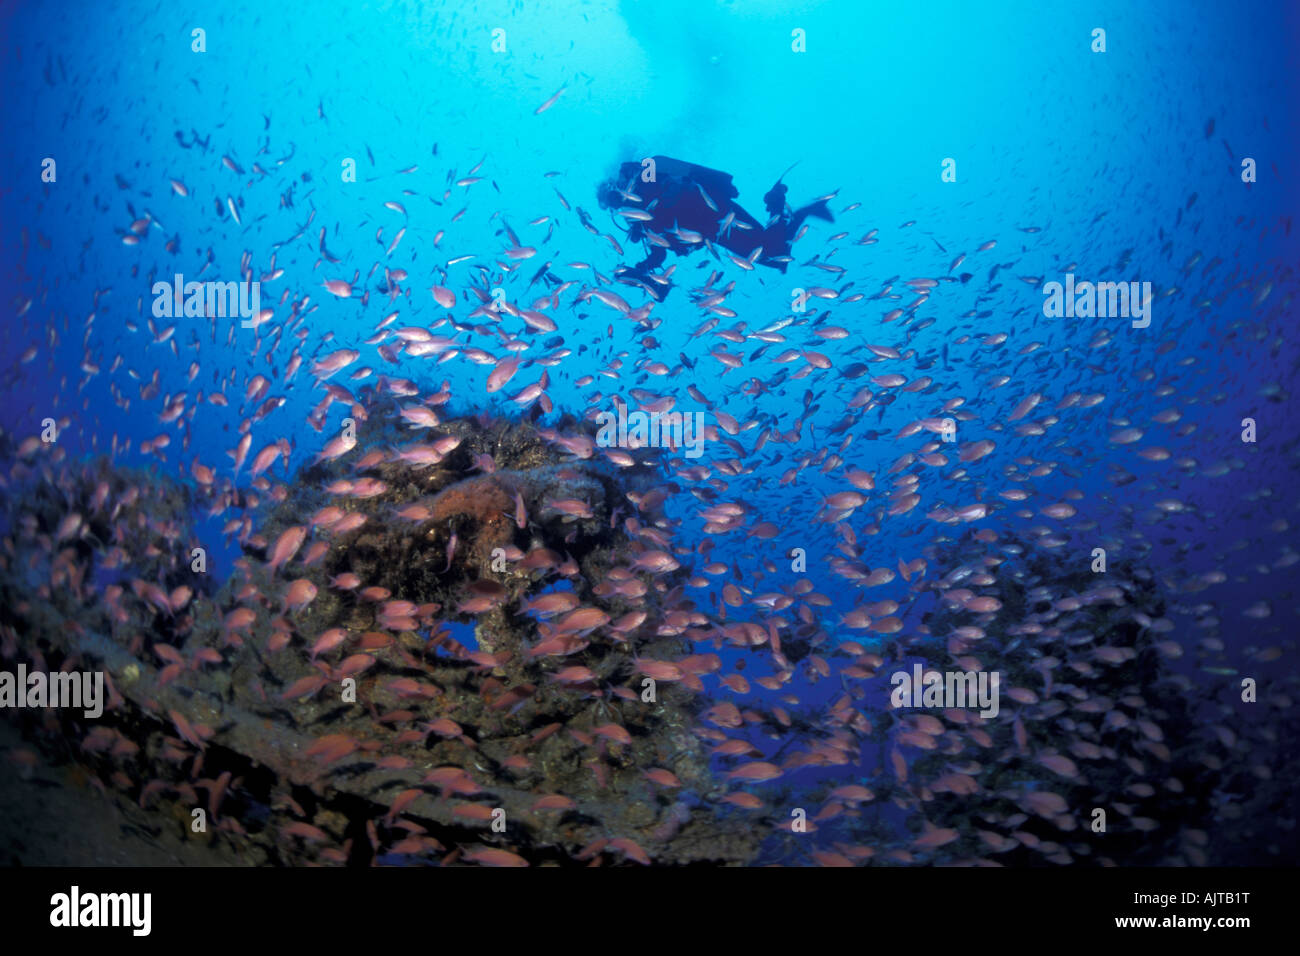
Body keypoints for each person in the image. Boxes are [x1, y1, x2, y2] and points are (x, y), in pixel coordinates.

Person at [596, 155, 832, 300]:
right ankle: (801, 210)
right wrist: (642, 270)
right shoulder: (637, 217)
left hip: (717, 210)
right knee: (774, 258)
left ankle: (776, 199)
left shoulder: (645, 177)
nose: (618, 207)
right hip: (711, 232)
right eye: (613, 206)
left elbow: (661, 178)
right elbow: (660, 251)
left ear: (616, 186)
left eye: (614, 199)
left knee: (774, 254)